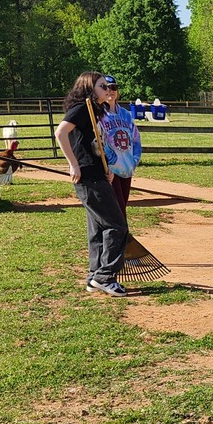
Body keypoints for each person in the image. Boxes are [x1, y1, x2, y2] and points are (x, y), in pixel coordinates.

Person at [54, 71, 129, 297]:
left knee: (97, 229)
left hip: (97, 172)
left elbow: (95, 143)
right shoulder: (81, 108)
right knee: (117, 226)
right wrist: (73, 164)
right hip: (88, 177)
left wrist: (106, 168)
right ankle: (105, 277)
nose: (107, 90)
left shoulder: (95, 110)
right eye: (101, 86)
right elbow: (60, 133)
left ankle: (94, 276)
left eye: (107, 86)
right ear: (89, 88)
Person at [98, 75, 142, 216]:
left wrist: (134, 160)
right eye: (106, 88)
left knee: (123, 204)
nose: (110, 91)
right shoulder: (99, 115)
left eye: (114, 88)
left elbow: (135, 139)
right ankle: (122, 235)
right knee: (118, 208)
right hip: (111, 169)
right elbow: (98, 142)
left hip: (127, 167)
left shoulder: (126, 114)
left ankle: (122, 235)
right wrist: (106, 164)